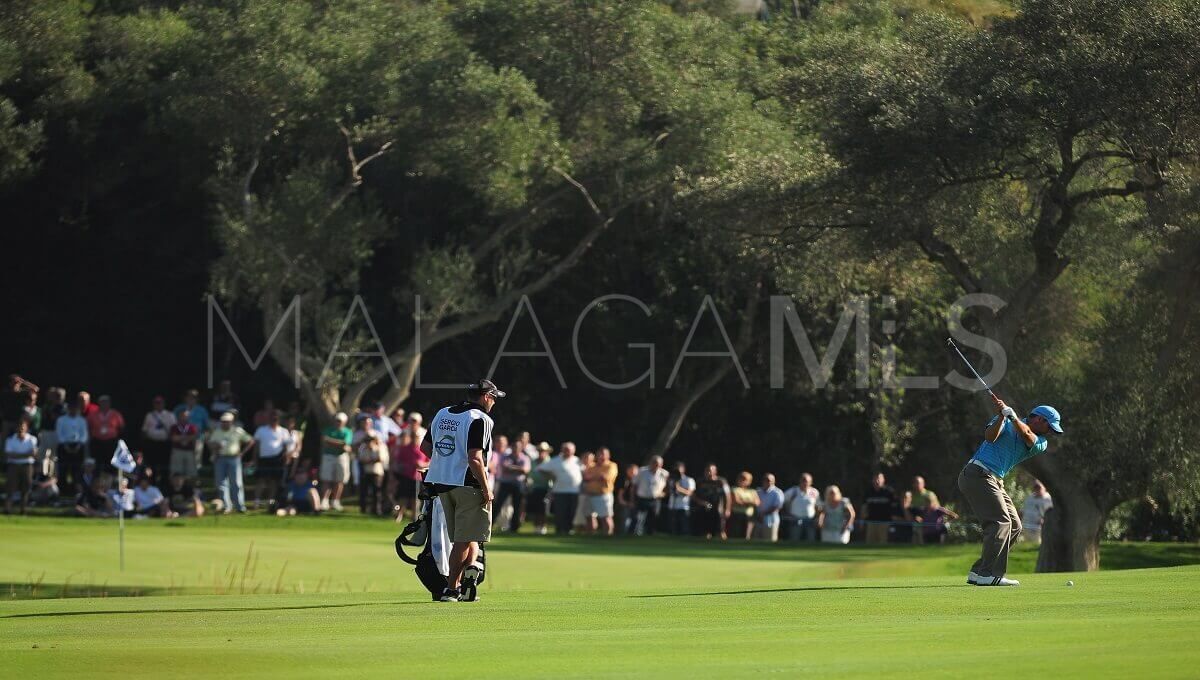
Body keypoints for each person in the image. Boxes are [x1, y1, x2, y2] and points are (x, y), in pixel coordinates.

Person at [958, 396, 1061, 586]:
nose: (1051, 432)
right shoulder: (1006, 419)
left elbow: (1027, 437)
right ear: (1039, 419)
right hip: (977, 474)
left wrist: (1013, 417)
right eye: (1051, 427)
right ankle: (989, 574)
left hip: (994, 480)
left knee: (1014, 525)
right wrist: (1001, 417)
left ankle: (979, 571)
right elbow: (990, 437)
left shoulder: (1041, 442)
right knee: (1001, 522)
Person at [422, 379, 505, 602]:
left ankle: (468, 582)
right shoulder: (481, 419)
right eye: (494, 398)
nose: (494, 403)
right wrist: (487, 488)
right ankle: (451, 588)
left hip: (441, 483)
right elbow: (475, 458)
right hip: (468, 484)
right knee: (463, 539)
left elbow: (426, 447)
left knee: (467, 538)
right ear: (487, 397)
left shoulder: (442, 413)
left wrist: (445, 464)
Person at [206, 411, 255, 513]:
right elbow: (210, 443)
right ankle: (226, 506)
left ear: (232, 422)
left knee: (236, 483)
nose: (225, 423)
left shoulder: (237, 431)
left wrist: (242, 453)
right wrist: (215, 446)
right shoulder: (217, 431)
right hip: (220, 458)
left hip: (234, 458)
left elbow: (250, 440)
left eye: (227, 421)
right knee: (221, 483)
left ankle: (240, 507)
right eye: (223, 421)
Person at [537, 442, 583, 535]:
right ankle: (559, 530)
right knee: (560, 512)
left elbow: (585, 471)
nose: (567, 452)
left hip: (575, 491)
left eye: (569, 450)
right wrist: (550, 476)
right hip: (560, 491)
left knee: (572, 512)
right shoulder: (555, 460)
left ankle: (569, 530)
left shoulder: (577, 461)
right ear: (562, 450)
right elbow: (540, 468)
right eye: (565, 450)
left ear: (573, 451)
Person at [253, 409, 294, 510]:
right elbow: (256, 446)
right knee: (261, 481)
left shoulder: (283, 431)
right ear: (269, 419)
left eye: (276, 418)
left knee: (274, 481)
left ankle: (270, 502)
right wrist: (255, 459)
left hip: (278, 459)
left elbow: (286, 447)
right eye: (272, 418)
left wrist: (287, 458)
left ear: (279, 420)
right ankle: (257, 501)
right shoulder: (261, 430)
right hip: (264, 459)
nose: (274, 420)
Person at [494, 438, 532, 532]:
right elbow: (504, 468)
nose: (516, 448)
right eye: (514, 446)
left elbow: (526, 470)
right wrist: (519, 469)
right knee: (498, 504)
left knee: (517, 506)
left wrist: (512, 468)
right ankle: (490, 524)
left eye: (518, 447)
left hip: (518, 484)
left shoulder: (525, 458)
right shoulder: (505, 456)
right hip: (505, 483)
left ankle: (514, 527)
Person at [390, 430, 429, 521]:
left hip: (418, 477)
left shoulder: (422, 449)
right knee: (403, 497)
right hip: (406, 476)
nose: (415, 439)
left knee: (415, 499)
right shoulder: (405, 448)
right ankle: (399, 515)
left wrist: (422, 464)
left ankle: (414, 516)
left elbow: (429, 462)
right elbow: (398, 462)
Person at [354, 415, 388, 516]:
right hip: (366, 471)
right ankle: (363, 509)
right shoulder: (363, 448)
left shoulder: (379, 447)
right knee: (364, 491)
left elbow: (380, 459)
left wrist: (370, 459)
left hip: (377, 472)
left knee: (377, 492)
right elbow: (361, 459)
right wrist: (369, 460)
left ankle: (377, 510)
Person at [318, 412, 353, 511]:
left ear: (344, 422)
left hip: (341, 457)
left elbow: (345, 443)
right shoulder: (328, 430)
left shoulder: (347, 432)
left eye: (340, 421)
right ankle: (324, 500)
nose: (338, 423)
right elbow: (325, 441)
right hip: (328, 456)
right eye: (337, 421)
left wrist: (331, 441)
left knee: (339, 480)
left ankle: (335, 501)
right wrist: (340, 444)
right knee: (326, 479)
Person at [582, 447, 619, 536]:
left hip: (603, 495)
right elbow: (586, 477)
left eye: (603, 454)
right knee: (589, 516)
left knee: (606, 517)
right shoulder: (592, 466)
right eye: (599, 454)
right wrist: (597, 477)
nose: (601, 456)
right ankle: (590, 535)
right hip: (589, 494)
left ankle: (608, 535)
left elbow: (605, 477)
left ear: (608, 456)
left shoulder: (611, 465)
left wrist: (593, 477)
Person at [56, 400, 89, 495]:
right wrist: (65, 445)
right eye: (71, 408)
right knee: (63, 470)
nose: (73, 410)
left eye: (75, 408)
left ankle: (76, 492)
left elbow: (84, 434)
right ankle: (63, 492)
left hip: (78, 447)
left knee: (77, 470)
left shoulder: (82, 420)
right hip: (64, 446)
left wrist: (79, 445)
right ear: (68, 409)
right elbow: (59, 433)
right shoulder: (61, 420)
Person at [5, 419, 38, 514]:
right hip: (13, 466)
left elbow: (34, 454)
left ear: (26, 428)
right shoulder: (10, 439)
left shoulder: (32, 439)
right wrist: (26, 454)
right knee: (10, 487)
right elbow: (9, 455)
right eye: (19, 428)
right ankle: (7, 509)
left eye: (23, 428)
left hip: (27, 466)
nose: (21, 430)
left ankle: (23, 509)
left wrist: (18, 455)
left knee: (26, 488)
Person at [631, 455, 670, 536]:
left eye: (658, 464)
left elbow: (668, 488)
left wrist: (663, 494)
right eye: (654, 463)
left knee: (653, 518)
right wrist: (633, 499)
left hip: (655, 500)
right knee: (638, 518)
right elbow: (634, 486)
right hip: (642, 498)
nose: (656, 465)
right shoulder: (642, 471)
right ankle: (634, 534)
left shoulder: (664, 474)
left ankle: (650, 535)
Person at [694, 464, 732, 539]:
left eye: (710, 471)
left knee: (721, 531)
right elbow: (693, 495)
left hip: (718, 509)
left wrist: (727, 509)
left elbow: (728, 496)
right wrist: (701, 502)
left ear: (715, 471)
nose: (708, 473)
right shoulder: (700, 482)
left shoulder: (721, 481)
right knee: (705, 531)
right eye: (707, 471)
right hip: (705, 509)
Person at [140, 396, 176, 475]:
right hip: (152, 444)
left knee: (165, 465)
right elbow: (144, 430)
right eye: (157, 403)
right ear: (154, 404)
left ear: (164, 404)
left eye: (160, 403)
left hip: (165, 444)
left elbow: (174, 429)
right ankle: (152, 481)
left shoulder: (170, 415)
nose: (158, 405)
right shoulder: (149, 415)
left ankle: (164, 482)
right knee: (152, 465)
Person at [86, 395, 125, 466]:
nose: (104, 404)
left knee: (111, 462)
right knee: (97, 461)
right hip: (97, 442)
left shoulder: (115, 414)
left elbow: (121, 427)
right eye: (102, 402)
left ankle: (110, 476)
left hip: (111, 442)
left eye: (106, 402)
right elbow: (88, 426)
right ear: (99, 403)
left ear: (109, 403)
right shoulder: (92, 414)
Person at [525, 442, 553, 535]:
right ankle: (536, 527)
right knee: (536, 509)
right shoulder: (533, 462)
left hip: (546, 489)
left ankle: (543, 527)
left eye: (543, 451)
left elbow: (552, 476)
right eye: (540, 450)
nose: (542, 452)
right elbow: (530, 474)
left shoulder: (550, 462)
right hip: (535, 488)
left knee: (544, 509)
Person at [860, 473, 897, 545]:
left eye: (879, 479)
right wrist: (862, 521)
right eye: (875, 479)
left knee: (883, 543)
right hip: (871, 522)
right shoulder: (868, 492)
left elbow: (894, 507)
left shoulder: (889, 492)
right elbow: (864, 507)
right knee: (870, 544)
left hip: (885, 522)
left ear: (883, 480)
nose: (877, 481)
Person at [36, 387, 65, 478]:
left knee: (53, 456)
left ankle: (52, 476)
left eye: (54, 396)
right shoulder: (46, 406)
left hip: (55, 433)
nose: (51, 397)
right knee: (43, 455)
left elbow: (56, 419)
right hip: (45, 432)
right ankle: (43, 474)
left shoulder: (62, 407)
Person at [783, 473, 820, 541]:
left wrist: (817, 518)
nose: (804, 482)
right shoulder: (793, 491)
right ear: (800, 481)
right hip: (795, 520)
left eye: (806, 481)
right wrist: (787, 513)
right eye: (803, 480)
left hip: (810, 521)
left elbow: (818, 506)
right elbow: (782, 501)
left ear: (811, 482)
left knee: (810, 540)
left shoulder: (814, 492)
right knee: (794, 540)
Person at [169, 410, 200, 482]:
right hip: (177, 451)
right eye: (182, 416)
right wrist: (188, 438)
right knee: (176, 472)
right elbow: (174, 438)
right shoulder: (174, 427)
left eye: (186, 416)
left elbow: (194, 437)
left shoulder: (192, 427)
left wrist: (180, 438)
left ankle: (190, 489)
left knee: (191, 473)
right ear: (179, 417)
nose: (184, 418)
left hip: (189, 451)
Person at [728, 471, 760, 540]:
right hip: (737, 516)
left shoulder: (752, 491)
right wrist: (750, 502)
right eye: (741, 478)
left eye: (745, 479)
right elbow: (736, 501)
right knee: (736, 535)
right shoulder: (734, 489)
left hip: (749, 517)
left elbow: (757, 502)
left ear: (749, 481)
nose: (742, 480)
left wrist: (744, 502)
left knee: (746, 536)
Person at [1020, 480, 1054, 545]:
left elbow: (1051, 513)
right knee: (1026, 545)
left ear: (1044, 487)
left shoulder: (1048, 499)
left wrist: (1046, 521)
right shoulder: (1030, 497)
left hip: (1039, 528)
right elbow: (1023, 510)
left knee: (1036, 544)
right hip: (1027, 526)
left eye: (1039, 487)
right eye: (1035, 487)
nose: (1037, 489)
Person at [667, 461, 695, 536]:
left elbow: (690, 493)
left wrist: (679, 488)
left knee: (684, 528)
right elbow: (667, 491)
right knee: (673, 527)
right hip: (672, 506)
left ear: (683, 469)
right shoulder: (671, 480)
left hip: (683, 507)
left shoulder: (689, 480)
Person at [910, 476, 939, 544]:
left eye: (918, 483)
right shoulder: (912, 495)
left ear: (923, 484)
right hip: (916, 521)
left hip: (929, 521)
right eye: (915, 483)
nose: (917, 485)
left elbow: (935, 508)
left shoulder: (929, 494)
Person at [756, 473, 786, 542]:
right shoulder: (758, 491)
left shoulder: (777, 492)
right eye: (765, 480)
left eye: (769, 480)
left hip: (771, 520)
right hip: (758, 519)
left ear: (773, 481)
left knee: (770, 540)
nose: (767, 481)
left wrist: (763, 514)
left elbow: (777, 507)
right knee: (757, 541)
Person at [616, 463, 639, 535]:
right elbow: (620, 496)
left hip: (636, 504)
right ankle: (622, 534)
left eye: (634, 471)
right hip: (625, 504)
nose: (633, 473)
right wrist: (627, 503)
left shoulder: (638, 481)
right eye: (631, 471)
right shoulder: (624, 481)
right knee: (624, 521)